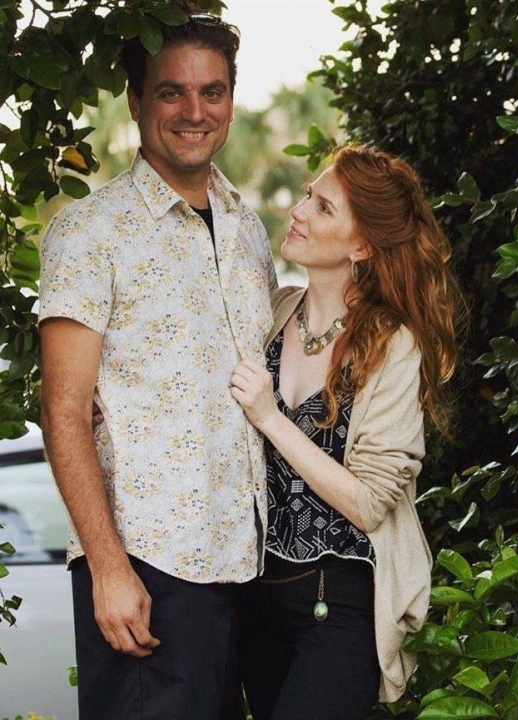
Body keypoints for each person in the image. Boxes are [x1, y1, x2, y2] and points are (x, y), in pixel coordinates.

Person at [38, 6, 276, 720]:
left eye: (212, 91)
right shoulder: (91, 232)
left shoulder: (248, 229)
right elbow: (63, 412)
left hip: (251, 569)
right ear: (137, 101)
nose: (195, 112)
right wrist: (107, 568)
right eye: (172, 92)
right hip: (149, 569)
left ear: (230, 98)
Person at [230, 145, 462, 720]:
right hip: (257, 599)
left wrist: (271, 419)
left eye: (323, 207)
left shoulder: (392, 344)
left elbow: (369, 502)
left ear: (361, 246)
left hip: (337, 605)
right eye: (308, 195)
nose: (299, 211)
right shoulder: (273, 314)